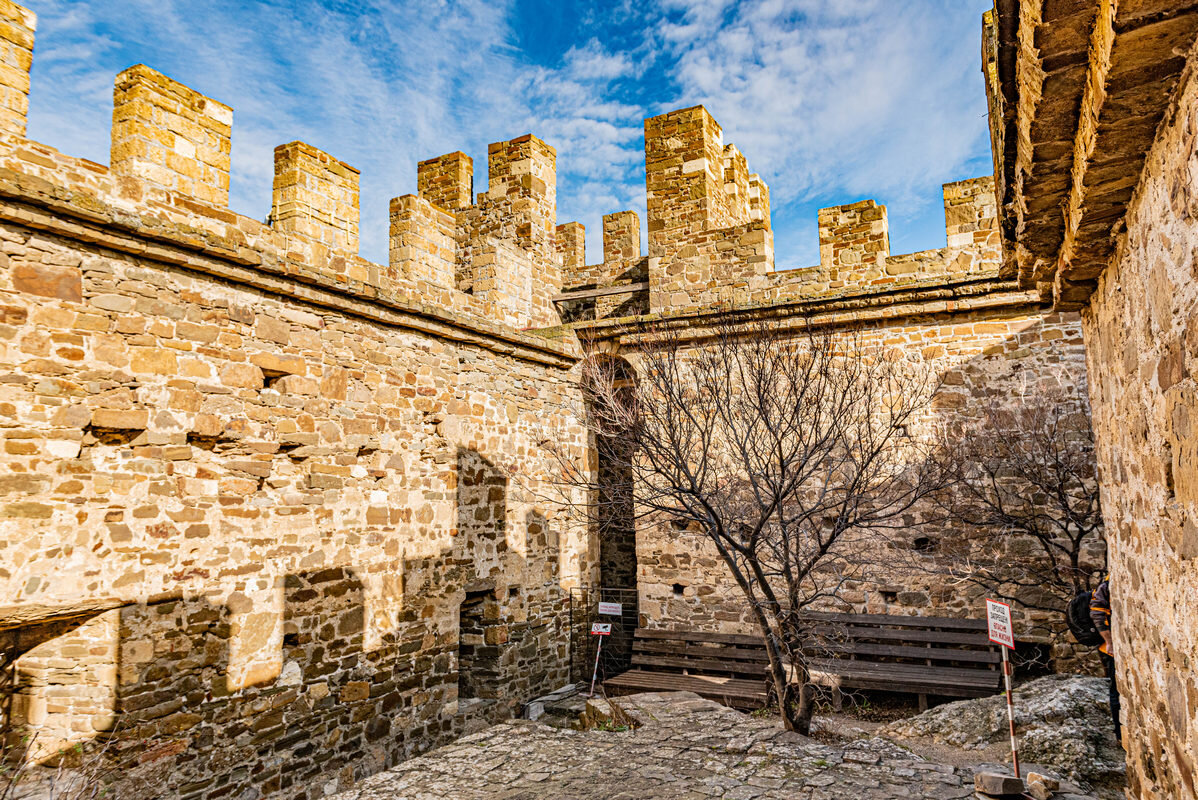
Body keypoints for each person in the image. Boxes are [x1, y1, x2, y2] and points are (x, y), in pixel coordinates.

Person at [1089, 575, 1121, 744]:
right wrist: (1109, 641)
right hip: (1112, 650)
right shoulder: (1107, 584)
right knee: (1116, 693)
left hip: (1115, 648)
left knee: (1117, 691)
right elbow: (1097, 613)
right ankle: (1119, 734)